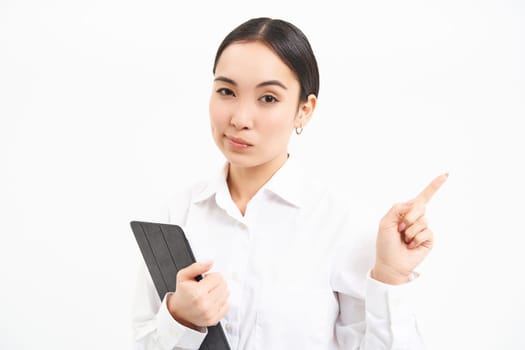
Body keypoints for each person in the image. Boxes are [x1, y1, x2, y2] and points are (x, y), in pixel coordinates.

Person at [132, 17, 447, 350]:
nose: (240, 119)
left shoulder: (340, 223)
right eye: (226, 91)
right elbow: (141, 342)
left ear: (304, 110)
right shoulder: (178, 212)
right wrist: (178, 317)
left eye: (268, 98)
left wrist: (390, 277)